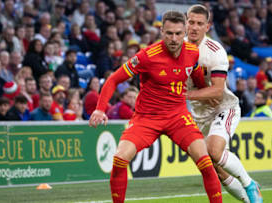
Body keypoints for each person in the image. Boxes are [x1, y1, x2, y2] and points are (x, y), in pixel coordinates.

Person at [89, 11, 222, 203]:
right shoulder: (147, 56)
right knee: (119, 160)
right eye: (169, 33)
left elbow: (196, 75)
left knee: (205, 162)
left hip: (178, 116)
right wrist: (100, 108)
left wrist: (205, 93)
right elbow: (113, 79)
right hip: (147, 118)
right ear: (161, 31)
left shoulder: (193, 52)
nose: (174, 38)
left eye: (178, 33)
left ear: (185, 31)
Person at [185, 5, 262, 203]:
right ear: (185, 22)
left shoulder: (214, 50)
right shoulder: (176, 46)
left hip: (223, 108)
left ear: (208, 26)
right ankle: (249, 200)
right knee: (215, 169)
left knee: (215, 151)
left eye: (199, 24)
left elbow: (218, 91)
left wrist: (185, 95)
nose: (194, 27)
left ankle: (249, 183)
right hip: (198, 116)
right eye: (191, 22)